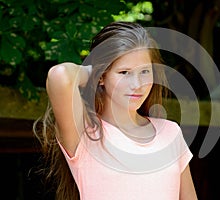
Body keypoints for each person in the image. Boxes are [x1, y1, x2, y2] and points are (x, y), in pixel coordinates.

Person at [33, 21, 197, 200]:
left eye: (144, 71)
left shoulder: (170, 132)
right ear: (102, 76)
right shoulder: (87, 135)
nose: (137, 85)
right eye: (124, 72)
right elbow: (60, 75)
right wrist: (94, 71)